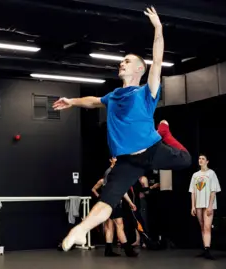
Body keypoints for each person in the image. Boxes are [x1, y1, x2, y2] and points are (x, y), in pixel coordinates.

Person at [53, 6, 191, 251]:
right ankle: (80, 230)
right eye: (121, 61)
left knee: (186, 160)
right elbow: (94, 101)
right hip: (127, 161)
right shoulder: (114, 95)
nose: (121, 64)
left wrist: (158, 28)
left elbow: (157, 60)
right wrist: (72, 101)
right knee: (108, 199)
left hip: (151, 149)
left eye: (127, 61)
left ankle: (165, 132)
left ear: (139, 69)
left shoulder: (146, 92)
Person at [92, 158, 138, 257]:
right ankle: (128, 250)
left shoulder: (107, 172)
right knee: (119, 226)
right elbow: (121, 189)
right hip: (113, 203)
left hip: (106, 202)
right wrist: (130, 202)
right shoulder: (114, 172)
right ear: (111, 160)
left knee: (109, 227)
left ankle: (108, 251)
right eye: (115, 159)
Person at [189, 154, 221, 260]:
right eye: (199, 159)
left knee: (207, 227)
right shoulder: (195, 175)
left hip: (208, 204)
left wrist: (210, 206)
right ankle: (204, 248)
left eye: (203, 159)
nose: (200, 160)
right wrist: (193, 206)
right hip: (198, 204)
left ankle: (207, 249)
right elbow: (192, 191)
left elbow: (214, 190)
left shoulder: (211, 173)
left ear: (207, 161)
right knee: (202, 226)